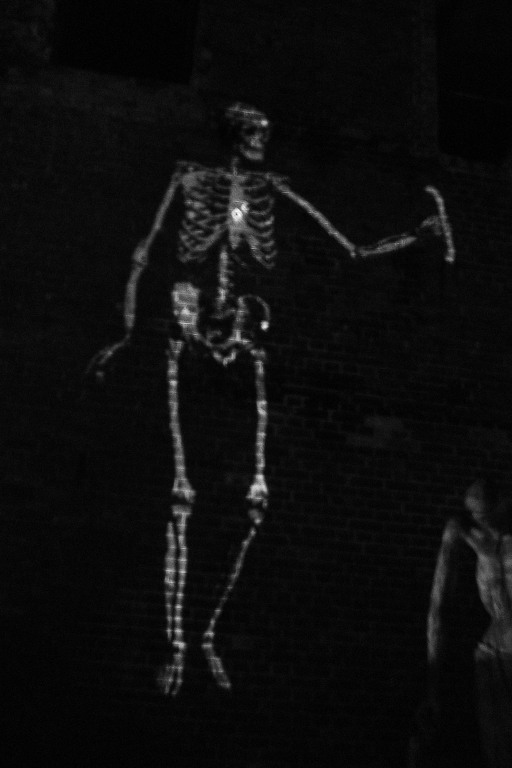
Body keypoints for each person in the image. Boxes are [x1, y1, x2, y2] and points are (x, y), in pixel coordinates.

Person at [420, 478, 512, 768]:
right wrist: (433, 682)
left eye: (488, 514)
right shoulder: (466, 532)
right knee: (497, 750)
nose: (484, 521)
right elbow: (438, 606)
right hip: (493, 649)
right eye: (478, 516)